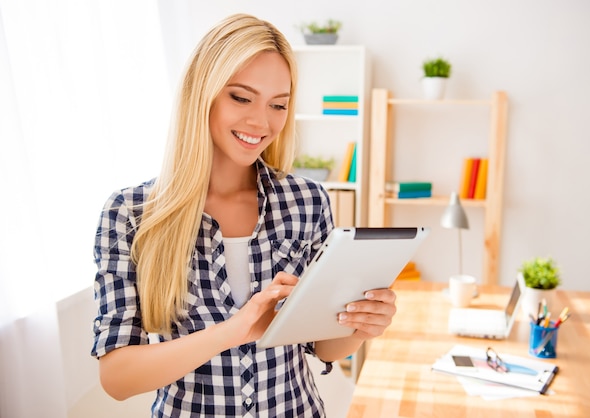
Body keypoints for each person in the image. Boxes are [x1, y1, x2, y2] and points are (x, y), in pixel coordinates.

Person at [91, 13, 397, 417]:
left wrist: (360, 326)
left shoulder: (307, 201)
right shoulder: (130, 214)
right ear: (204, 93)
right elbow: (117, 378)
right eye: (241, 97)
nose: (261, 121)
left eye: (278, 105)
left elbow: (323, 346)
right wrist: (233, 331)